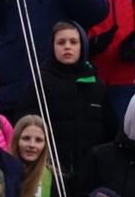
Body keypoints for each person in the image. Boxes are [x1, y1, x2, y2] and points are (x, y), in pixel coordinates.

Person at [42, 20, 120, 173]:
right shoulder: (41, 82)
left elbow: (113, 132)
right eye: (61, 42)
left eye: (73, 42)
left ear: (82, 46)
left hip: (91, 170)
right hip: (51, 170)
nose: (67, 47)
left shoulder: (97, 86)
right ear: (52, 47)